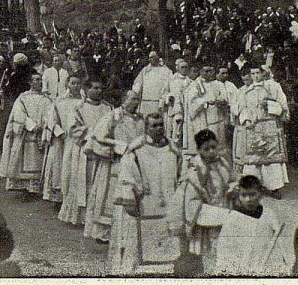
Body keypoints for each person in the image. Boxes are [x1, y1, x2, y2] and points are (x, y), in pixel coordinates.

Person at [110, 113, 182, 275]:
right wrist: (129, 199)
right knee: (139, 243)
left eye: (160, 125)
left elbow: (180, 175)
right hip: (144, 204)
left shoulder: (173, 150)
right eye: (153, 125)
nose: (158, 129)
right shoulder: (136, 149)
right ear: (146, 128)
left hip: (168, 203)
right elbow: (127, 175)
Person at [167, 129, 233, 276]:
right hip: (206, 220)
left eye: (214, 147)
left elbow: (230, 181)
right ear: (198, 150)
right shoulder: (195, 170)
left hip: (225, 211)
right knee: (210, 255)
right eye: (206, 149)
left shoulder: (222, 162)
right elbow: (191, 200)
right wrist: (213, 212)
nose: (211, 151)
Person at [85, 90, 145, 244]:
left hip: (134, 162)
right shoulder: (113, 116)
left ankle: (127, 232)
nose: (136, 102)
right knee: (110, 194)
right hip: (114, 162)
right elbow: (99, 136)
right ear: (124, 99)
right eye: (132, 99)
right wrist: (118, 147)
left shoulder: (140, 118)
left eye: (137, 99)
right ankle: (105, 232)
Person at [59, 80, 112, 225]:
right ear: (87, 90)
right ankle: (82, 217)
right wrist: (92, 137)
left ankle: (98, 216)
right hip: (85, 150)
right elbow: (73, 129)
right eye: (95, 88)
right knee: (85, 181)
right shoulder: (79, 108)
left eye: (101, 88)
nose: (99, 91)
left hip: (103, 150)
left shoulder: (108, 108)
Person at [215, 175, 287, 276]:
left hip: (265, 266)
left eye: (252, 194)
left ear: (260, 194)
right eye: (243, 195)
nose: (248, 199)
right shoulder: (233, 218)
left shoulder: (268, 214)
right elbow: (224, 250)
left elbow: (278, 246)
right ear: (239, 195)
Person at [239, 66, 289, 197]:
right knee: (254, 159)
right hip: (254, 128)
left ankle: (274, 187)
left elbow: (283, 105)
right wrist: (246, 120)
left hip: (270, 126)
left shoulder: (273, 87)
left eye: (257, 73)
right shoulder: (246, 91)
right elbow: (242, 108)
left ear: (262, 73)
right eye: (253, 73)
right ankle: (254, 186)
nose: (255, 76)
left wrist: (269, 106)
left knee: (271, 159)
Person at [0, 72, 52, 194]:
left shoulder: (47, 99)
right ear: (30, 82)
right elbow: (19, 113)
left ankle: (37, 187)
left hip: (41, 133)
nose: (40, 82)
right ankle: (24, 187)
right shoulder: (22, 98)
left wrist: (43, 124)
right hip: (26, 134)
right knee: (25, 159)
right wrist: (32, 125)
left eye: (40, 80)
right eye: (36, 79)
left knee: (38, 160)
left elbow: (50, 114)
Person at [41, 75, 83, 204]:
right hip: (61, 139)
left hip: (77, 140)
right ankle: (57, 198)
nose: (75, 86)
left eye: (77, 83)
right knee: (59, 165)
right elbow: (51, 120)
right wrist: (60, 133)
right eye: (73, 83)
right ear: (67, 85)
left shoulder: (84, 102)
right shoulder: (59, 101)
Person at [183, 64, 228, 157]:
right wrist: (205, 102)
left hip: (218, 118)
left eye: (210, 71)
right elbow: (192, 102)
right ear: (200, 72)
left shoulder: (217, 84)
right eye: (206, 71)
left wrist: (221, 101)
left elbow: (224, 97)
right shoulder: (195, 85)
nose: (209, 73)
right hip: (204, 120)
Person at [159, 60, 192, 146]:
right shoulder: (171, 81)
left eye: (186, 67)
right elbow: (163, 94)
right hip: (172, 110)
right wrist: (168, 98)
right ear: (177, 68)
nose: (184, 69)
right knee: (172, 133)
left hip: (187, 111)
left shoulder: (191, 82)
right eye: (182, 67)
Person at [132, 51, 173, 116]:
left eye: (154, 57)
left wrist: (163, 101)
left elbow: (169, 87)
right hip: (145, 103)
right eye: (151, 57)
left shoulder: (166, 71)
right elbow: (137, 84)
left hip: (159, 103)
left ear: (158, 58)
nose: (153, 59)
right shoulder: (145, 70)